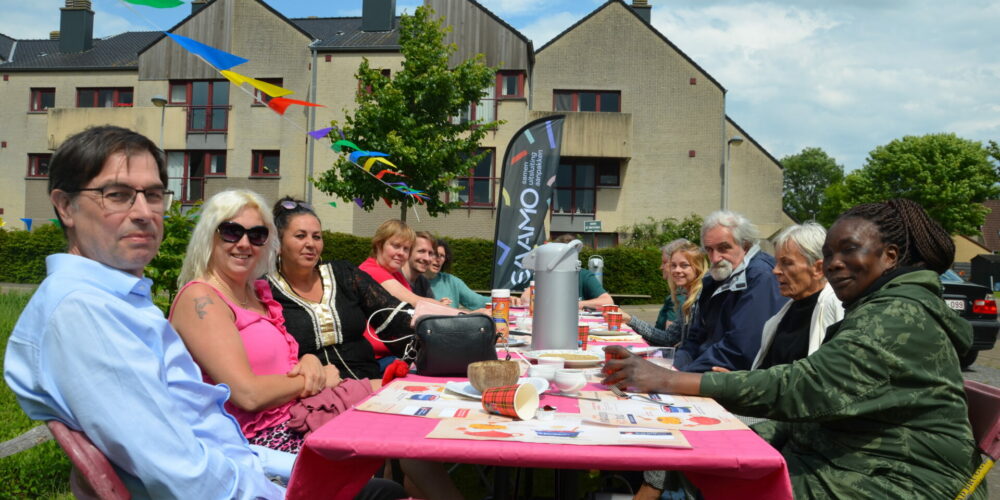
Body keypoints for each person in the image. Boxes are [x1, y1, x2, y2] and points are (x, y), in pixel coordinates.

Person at [604, 199, 985, 499]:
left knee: (708, 474)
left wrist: (671, 381)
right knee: (701, 458)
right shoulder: (877, 308)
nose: (834, 263)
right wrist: (733, 434)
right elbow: (820, 403)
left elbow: (804, 386)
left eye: (848, 250)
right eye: (830, 253)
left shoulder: (898, 315)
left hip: (901, 481)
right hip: (847, 457)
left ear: (890, 256)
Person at [4, 126, 287, 498]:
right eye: (117, 195)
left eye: (153, 195)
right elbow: (184, 475)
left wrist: (295, 466)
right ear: (65, 206)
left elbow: (198, 434)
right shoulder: (84, 311)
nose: (143, 213)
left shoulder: (119, 299)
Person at [266, 197, 414, 381]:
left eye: (317, 236)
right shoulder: (265, 290)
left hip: (370, 381)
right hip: (314, 392)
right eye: (300, 236)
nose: (311, 244)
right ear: (278, 244)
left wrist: (439, 334)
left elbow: (393, 317)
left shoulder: (344, 274)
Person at [673, 211, 786, 372]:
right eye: (709, 250)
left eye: (723, 248)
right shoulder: (714, 280)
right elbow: (695, 338)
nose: (715, 258)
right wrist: (673, 368)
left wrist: (680, 377)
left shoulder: (761, 277)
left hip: (732, 379)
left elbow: (740, 349)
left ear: (745, 246)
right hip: (706, 371)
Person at [623, 239, 708, 347]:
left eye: (684, 265)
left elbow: (695, 346)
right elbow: (669, 338)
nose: (676, 270)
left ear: (698, 267)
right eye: (673, 265)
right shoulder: (689, 297)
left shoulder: (701, 298)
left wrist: (630, 320)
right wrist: (629, 320)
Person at [520, 233, 614, 310]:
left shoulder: (583, 275)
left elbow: (607, 301)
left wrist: (575, 305)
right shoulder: (545, 274)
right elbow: (526, 298)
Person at [427, 238, 490, 310]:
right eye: (435, 254)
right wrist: (437, 307)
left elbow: (477, 301)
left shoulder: (451, 281)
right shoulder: (414, 281)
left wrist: (501, 297)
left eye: (442, 256)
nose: (438, 259)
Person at [401, 231, 440, 300]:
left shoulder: (423, 283)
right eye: (421, 251)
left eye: (430, 253)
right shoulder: (393, 278)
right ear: (408, 251)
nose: (427, 258)